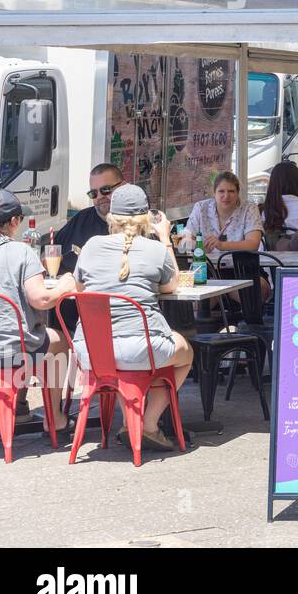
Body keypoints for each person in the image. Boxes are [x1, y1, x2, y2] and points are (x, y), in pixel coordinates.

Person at [72, 184, 194, 451]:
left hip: (91, 352)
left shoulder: (91, 246)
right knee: (185, 352)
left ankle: (130, 420)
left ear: (111, 217)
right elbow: (172, 283)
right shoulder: (155, 250)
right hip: (140, 348)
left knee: (119, 364)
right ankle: (148, 423)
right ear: (145, 219)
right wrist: (164, 237)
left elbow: (81, 290)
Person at [0, 190, 77, 437]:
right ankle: (55, 420)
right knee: (58, 340)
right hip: (11, 353)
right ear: (14, 222)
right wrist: (65, 285)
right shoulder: (21, 251)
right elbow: (41, 299)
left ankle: (14, 411)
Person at [55, 163, 124, 272]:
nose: (100, 197)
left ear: (123, 186)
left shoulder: (139, 222)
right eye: (94, 193)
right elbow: (52, 249)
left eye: (106, 190)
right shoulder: (81, 220)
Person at [184, 172, 263, 262]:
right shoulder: (201, 208)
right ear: (214, 193)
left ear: (238, 193)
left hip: (242, 270)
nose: (226, 196)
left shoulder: (249, 209)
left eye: (231, 191)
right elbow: (185, 241)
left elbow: (253, 244)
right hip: (206, 268)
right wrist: (200, 245)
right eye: (221, 191)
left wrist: (222, 245)